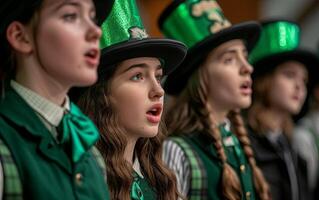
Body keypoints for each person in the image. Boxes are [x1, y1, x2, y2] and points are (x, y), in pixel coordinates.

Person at [0, 0, 114, 199]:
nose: (96, 31)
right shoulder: (4, 145)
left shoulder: (92, 154)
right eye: (70, 15)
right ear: (21, 36)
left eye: (93, 18)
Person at [158, 0, 270, 199]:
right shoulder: (177, 151)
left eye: (245, 56)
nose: (247, 68)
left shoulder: (237, 144)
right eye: (229, 59)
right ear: (200, 77)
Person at [77, 0, 187, 199]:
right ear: (101, 94)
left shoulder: (162, 181)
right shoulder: (82, 180)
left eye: (159, 76)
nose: (158, 91)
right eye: (138, 76)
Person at [247, 20, 319, 200]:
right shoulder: (246, 141)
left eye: (304, 80)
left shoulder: (288, 144)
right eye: (289, 75)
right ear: (265, 81)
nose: (299, 86)